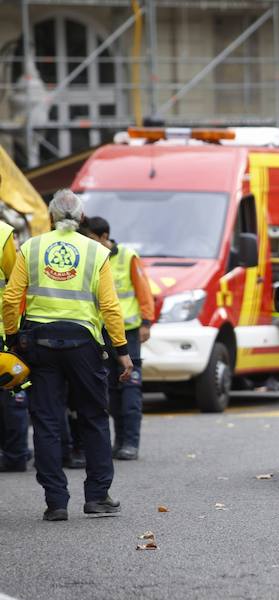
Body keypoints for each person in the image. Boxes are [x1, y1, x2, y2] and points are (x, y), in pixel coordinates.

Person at [2, 189, 133, 522]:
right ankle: (98, 497)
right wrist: (121, 350)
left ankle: (56, 502)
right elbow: (110, 307)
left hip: (40, 344)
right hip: (84, 345)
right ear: (82, 219)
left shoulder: (31, 248)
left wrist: (15, 338)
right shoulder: (95, 252)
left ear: (49, 217)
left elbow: (11, 297)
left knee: (46, 421)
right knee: (93, 417)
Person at [82, 216, 153, 461]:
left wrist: (146, 321)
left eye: (92, 239)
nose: (88, 242)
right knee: (111, 389)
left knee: (130, 389)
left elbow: (144, 290)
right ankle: (119, 442)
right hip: (101, 333)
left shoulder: (127, 256)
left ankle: (131, 443)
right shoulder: (91, 256)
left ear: (104, 237)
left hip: (129, 332)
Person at [0, 208, 30, 472]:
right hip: (2, 334)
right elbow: (15, 286)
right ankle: (16, 453)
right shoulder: (2, 234)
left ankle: (15, 453)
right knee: (12, 391)